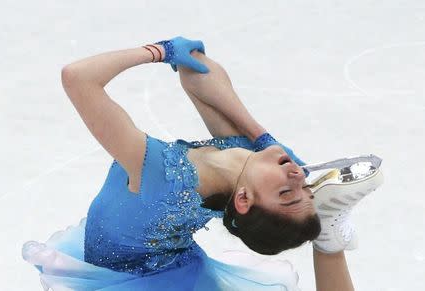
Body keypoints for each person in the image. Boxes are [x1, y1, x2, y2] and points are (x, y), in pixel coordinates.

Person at [22, 36, 382, 290]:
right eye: (303, 185)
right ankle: (329, 238)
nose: (296, 172)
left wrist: (158, 51)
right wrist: (261, 138)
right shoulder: (238, 153)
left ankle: (328, 237)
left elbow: (78, 77)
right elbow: (197, 69)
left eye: (288, 190)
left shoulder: (158, 173)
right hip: (180, 269)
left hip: (126, 281)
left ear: (243, 200)